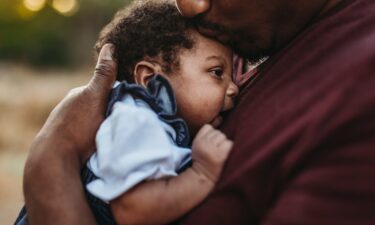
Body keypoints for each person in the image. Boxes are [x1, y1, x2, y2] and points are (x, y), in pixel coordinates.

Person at [21, 0, 375, 224]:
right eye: (220, 73)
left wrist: (51, 158)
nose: (188, 6)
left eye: (226, 72)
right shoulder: (139, 121)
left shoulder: (357, 93)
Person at [15, 1, 239, 225]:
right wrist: (202, 174)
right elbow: (132, 209)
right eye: (217, 72)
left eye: (234, 75)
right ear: (151, 80)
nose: (234, 88)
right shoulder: (137, 122)